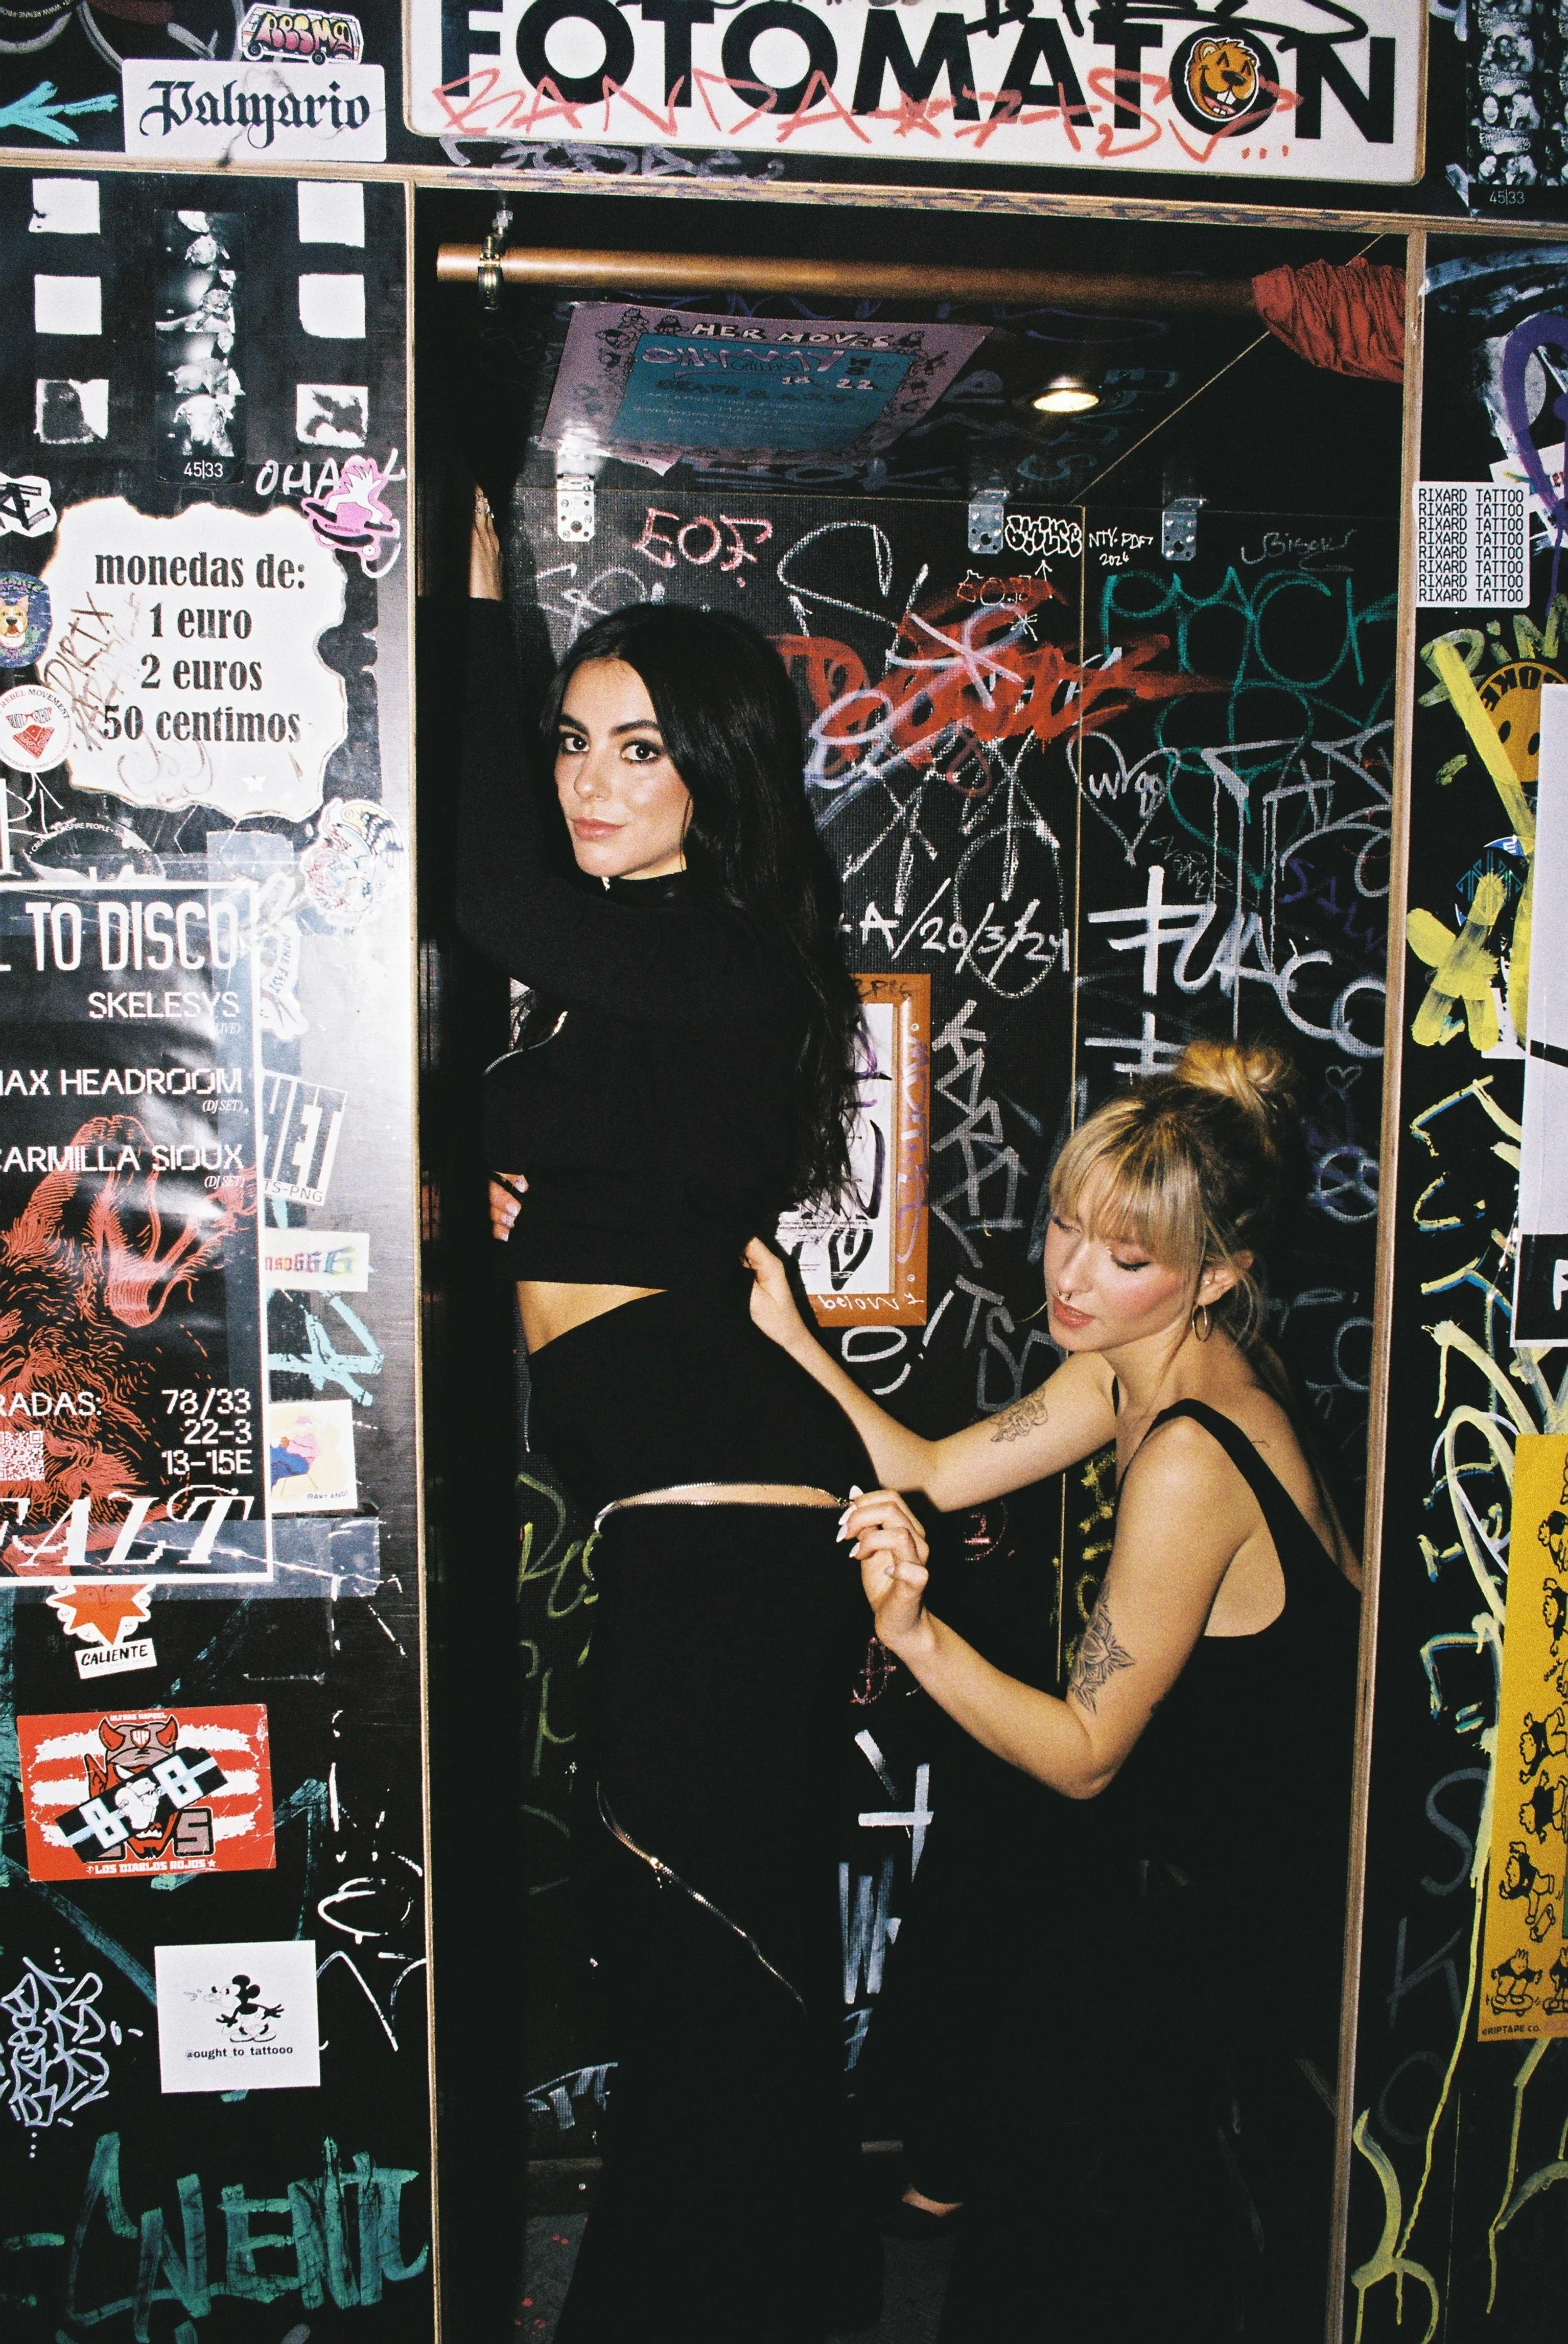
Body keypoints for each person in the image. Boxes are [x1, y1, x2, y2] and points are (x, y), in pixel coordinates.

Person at [746, 1041, 1363, 2341]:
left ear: (1219, 1273)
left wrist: (913, 1636)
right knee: (1008, 1876)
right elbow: (924, 1464)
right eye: (1065, 1227)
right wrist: (791, 1336)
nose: (1070, 1275)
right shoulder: (1124, 1369)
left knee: (1053, 2013)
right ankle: (951, 2163)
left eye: (1122, 1256)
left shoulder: (1192, 1449)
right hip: (1182, 1850)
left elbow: (1085, 1749)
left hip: (1269, 1907)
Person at [458, 494, 880, 2343]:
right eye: (565, 740)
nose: (585, 780)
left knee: (710, 1970)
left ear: (713, 772)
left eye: (634, 747)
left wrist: (482, 621)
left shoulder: (706, 946)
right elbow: (621, 1172)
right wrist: (518, 1193)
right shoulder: (644, 980)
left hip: (727, 1525)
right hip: (688, 1511)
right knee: (709, 1971)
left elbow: (483, 891)